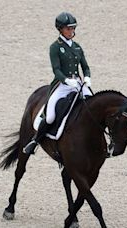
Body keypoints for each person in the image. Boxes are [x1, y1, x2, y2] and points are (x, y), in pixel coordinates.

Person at [23, 12, 93, 155]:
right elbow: (56, 70)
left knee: (94, 107)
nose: (71, 31)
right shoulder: (55, 47)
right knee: (50, 117)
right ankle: (35, 141)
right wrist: (67, 80)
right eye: (68, 28)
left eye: (73, 28)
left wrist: (87, 77)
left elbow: (85, 66)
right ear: (60, 29)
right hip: (62, 85)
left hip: (79, 83)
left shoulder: (77, 47)